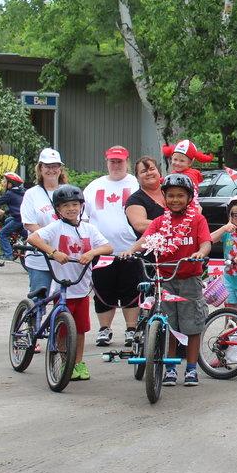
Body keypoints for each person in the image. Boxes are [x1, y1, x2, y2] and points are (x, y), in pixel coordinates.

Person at [120, 174, 212, 387]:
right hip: (164, 280)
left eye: (180, 195)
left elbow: (206, 242)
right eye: (170, 196)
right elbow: (145, 240)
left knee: (192, 326)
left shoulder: (197, 220)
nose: (175, 200)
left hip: (189, 280)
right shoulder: (160, 222)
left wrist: (200, 252)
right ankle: (170, 368)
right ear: (164, 198)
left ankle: (191, 368)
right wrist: (130, 250)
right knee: (168, 326)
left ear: (189, 198)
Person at [26, 185, 112, 381]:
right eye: (65, 205)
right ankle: (65, 362)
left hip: (82, 288)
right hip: (63, 288)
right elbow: (33, 238)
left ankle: (78, 363)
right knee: (62, 330)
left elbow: (108, 246)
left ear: (81, 206)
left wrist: (92, 252)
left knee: (80, 330)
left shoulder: (88, 229)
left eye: (75, 204)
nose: (71, 208)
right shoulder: (56, 227)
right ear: (58, 209)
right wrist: (53, 252)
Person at [84, 146, 141, 348]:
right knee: (103, 290)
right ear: (106, 162)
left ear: (127, 162)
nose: (116, 165)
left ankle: (131, 329)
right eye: (112, 161)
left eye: (120, 161)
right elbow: (84, 218)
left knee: (131, 291)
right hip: (102, 251)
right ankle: (104, 329)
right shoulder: (94, 187)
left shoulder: (136, 183)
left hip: (130, 249)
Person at [21, 148, 68, 296]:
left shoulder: (69, 191)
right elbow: (29, 224)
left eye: (55, 166)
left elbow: (81, 220)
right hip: (40, 257)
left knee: (64, 300)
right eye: (47, 166)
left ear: (60, 169)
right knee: (39, 298)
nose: (51, 170)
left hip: (65, 256)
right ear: (40, 168)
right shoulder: (32, 194)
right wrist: (50, 240)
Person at [161, 139, 213, 205]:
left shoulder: (191, 176)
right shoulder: (174, 173)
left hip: (189, 207)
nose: (177, 163)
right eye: (175, 159)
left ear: (190, 163)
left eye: (182, 161)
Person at [125, 156, 166, 236]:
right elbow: (140, 225)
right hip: (151, 243)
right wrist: (174, 224)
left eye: (152, 169)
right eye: (143, 171)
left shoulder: (171, 191)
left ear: (159, 172)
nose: (149, 173)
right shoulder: (134, 200)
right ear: (137, 178)